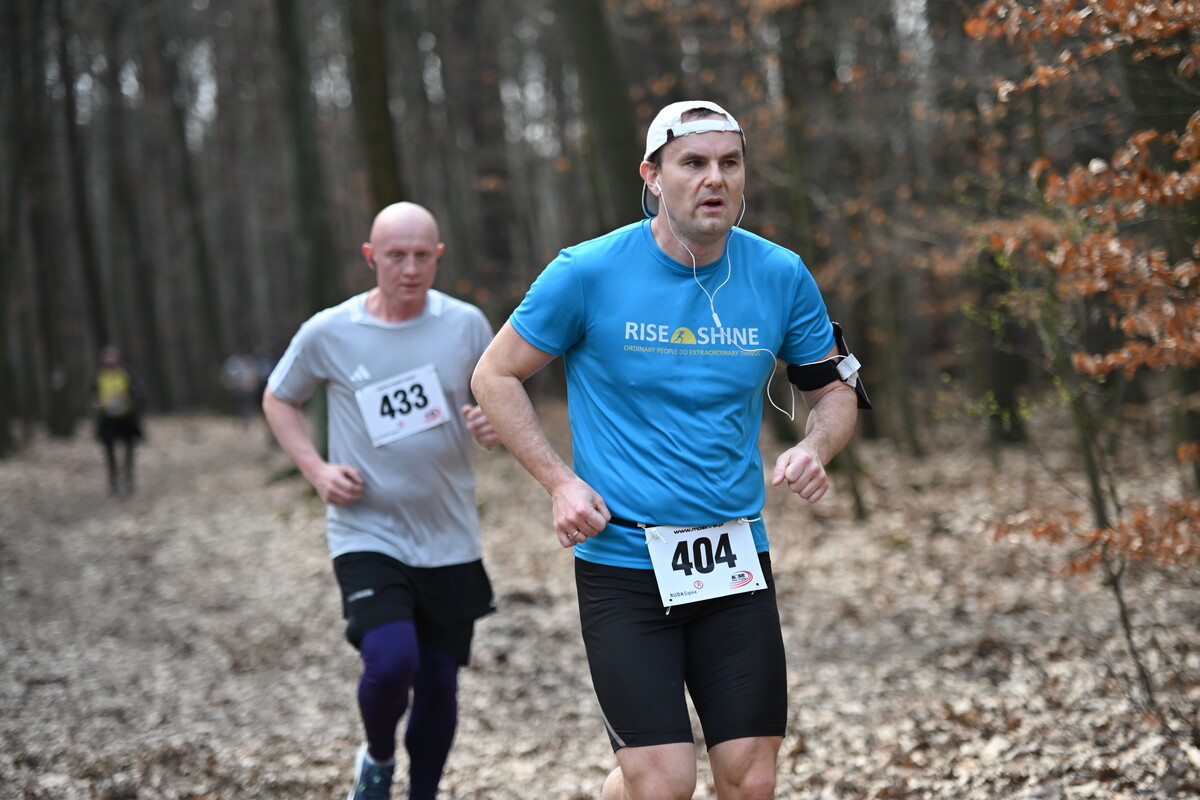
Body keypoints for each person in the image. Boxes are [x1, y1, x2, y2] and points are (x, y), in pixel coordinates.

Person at [470, 101, 868, 800]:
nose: (715, 178)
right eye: (693, 163)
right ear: (652, 177)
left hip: (733, 559)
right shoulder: (587, 272)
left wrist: (817, 446)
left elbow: (834, 392)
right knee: (662, 787)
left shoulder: (779, 274)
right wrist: (560, 482)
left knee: (752, 782)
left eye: (729, 163)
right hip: (624, 563)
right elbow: (494, 375)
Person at [262, 202, 500, 800]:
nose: (410, 269)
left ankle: (423, 793)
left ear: (438, 256)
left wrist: (491, 423)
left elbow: (499, 394)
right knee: (392, 661)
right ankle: (377, 759)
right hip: (367, 530)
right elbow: (279, 397)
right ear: (371, 257)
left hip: (448, 533)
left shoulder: (466, 324)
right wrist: (316, 469)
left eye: (422, 256)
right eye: (396, 256)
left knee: (439, 681)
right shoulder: (330, 331)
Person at [92, 344, 144, 495]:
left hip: (126, 416)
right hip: (108, 417)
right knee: (109, 450)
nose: (109, 360)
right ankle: (113, 481)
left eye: (112, 356)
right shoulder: (99, 376)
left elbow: (137, 391)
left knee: (129, 447)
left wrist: (130, 397)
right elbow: (93, 394)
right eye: (107, 357)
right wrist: (96, 402)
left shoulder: (126, 373)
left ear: (117, 358)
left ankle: (128, 477)